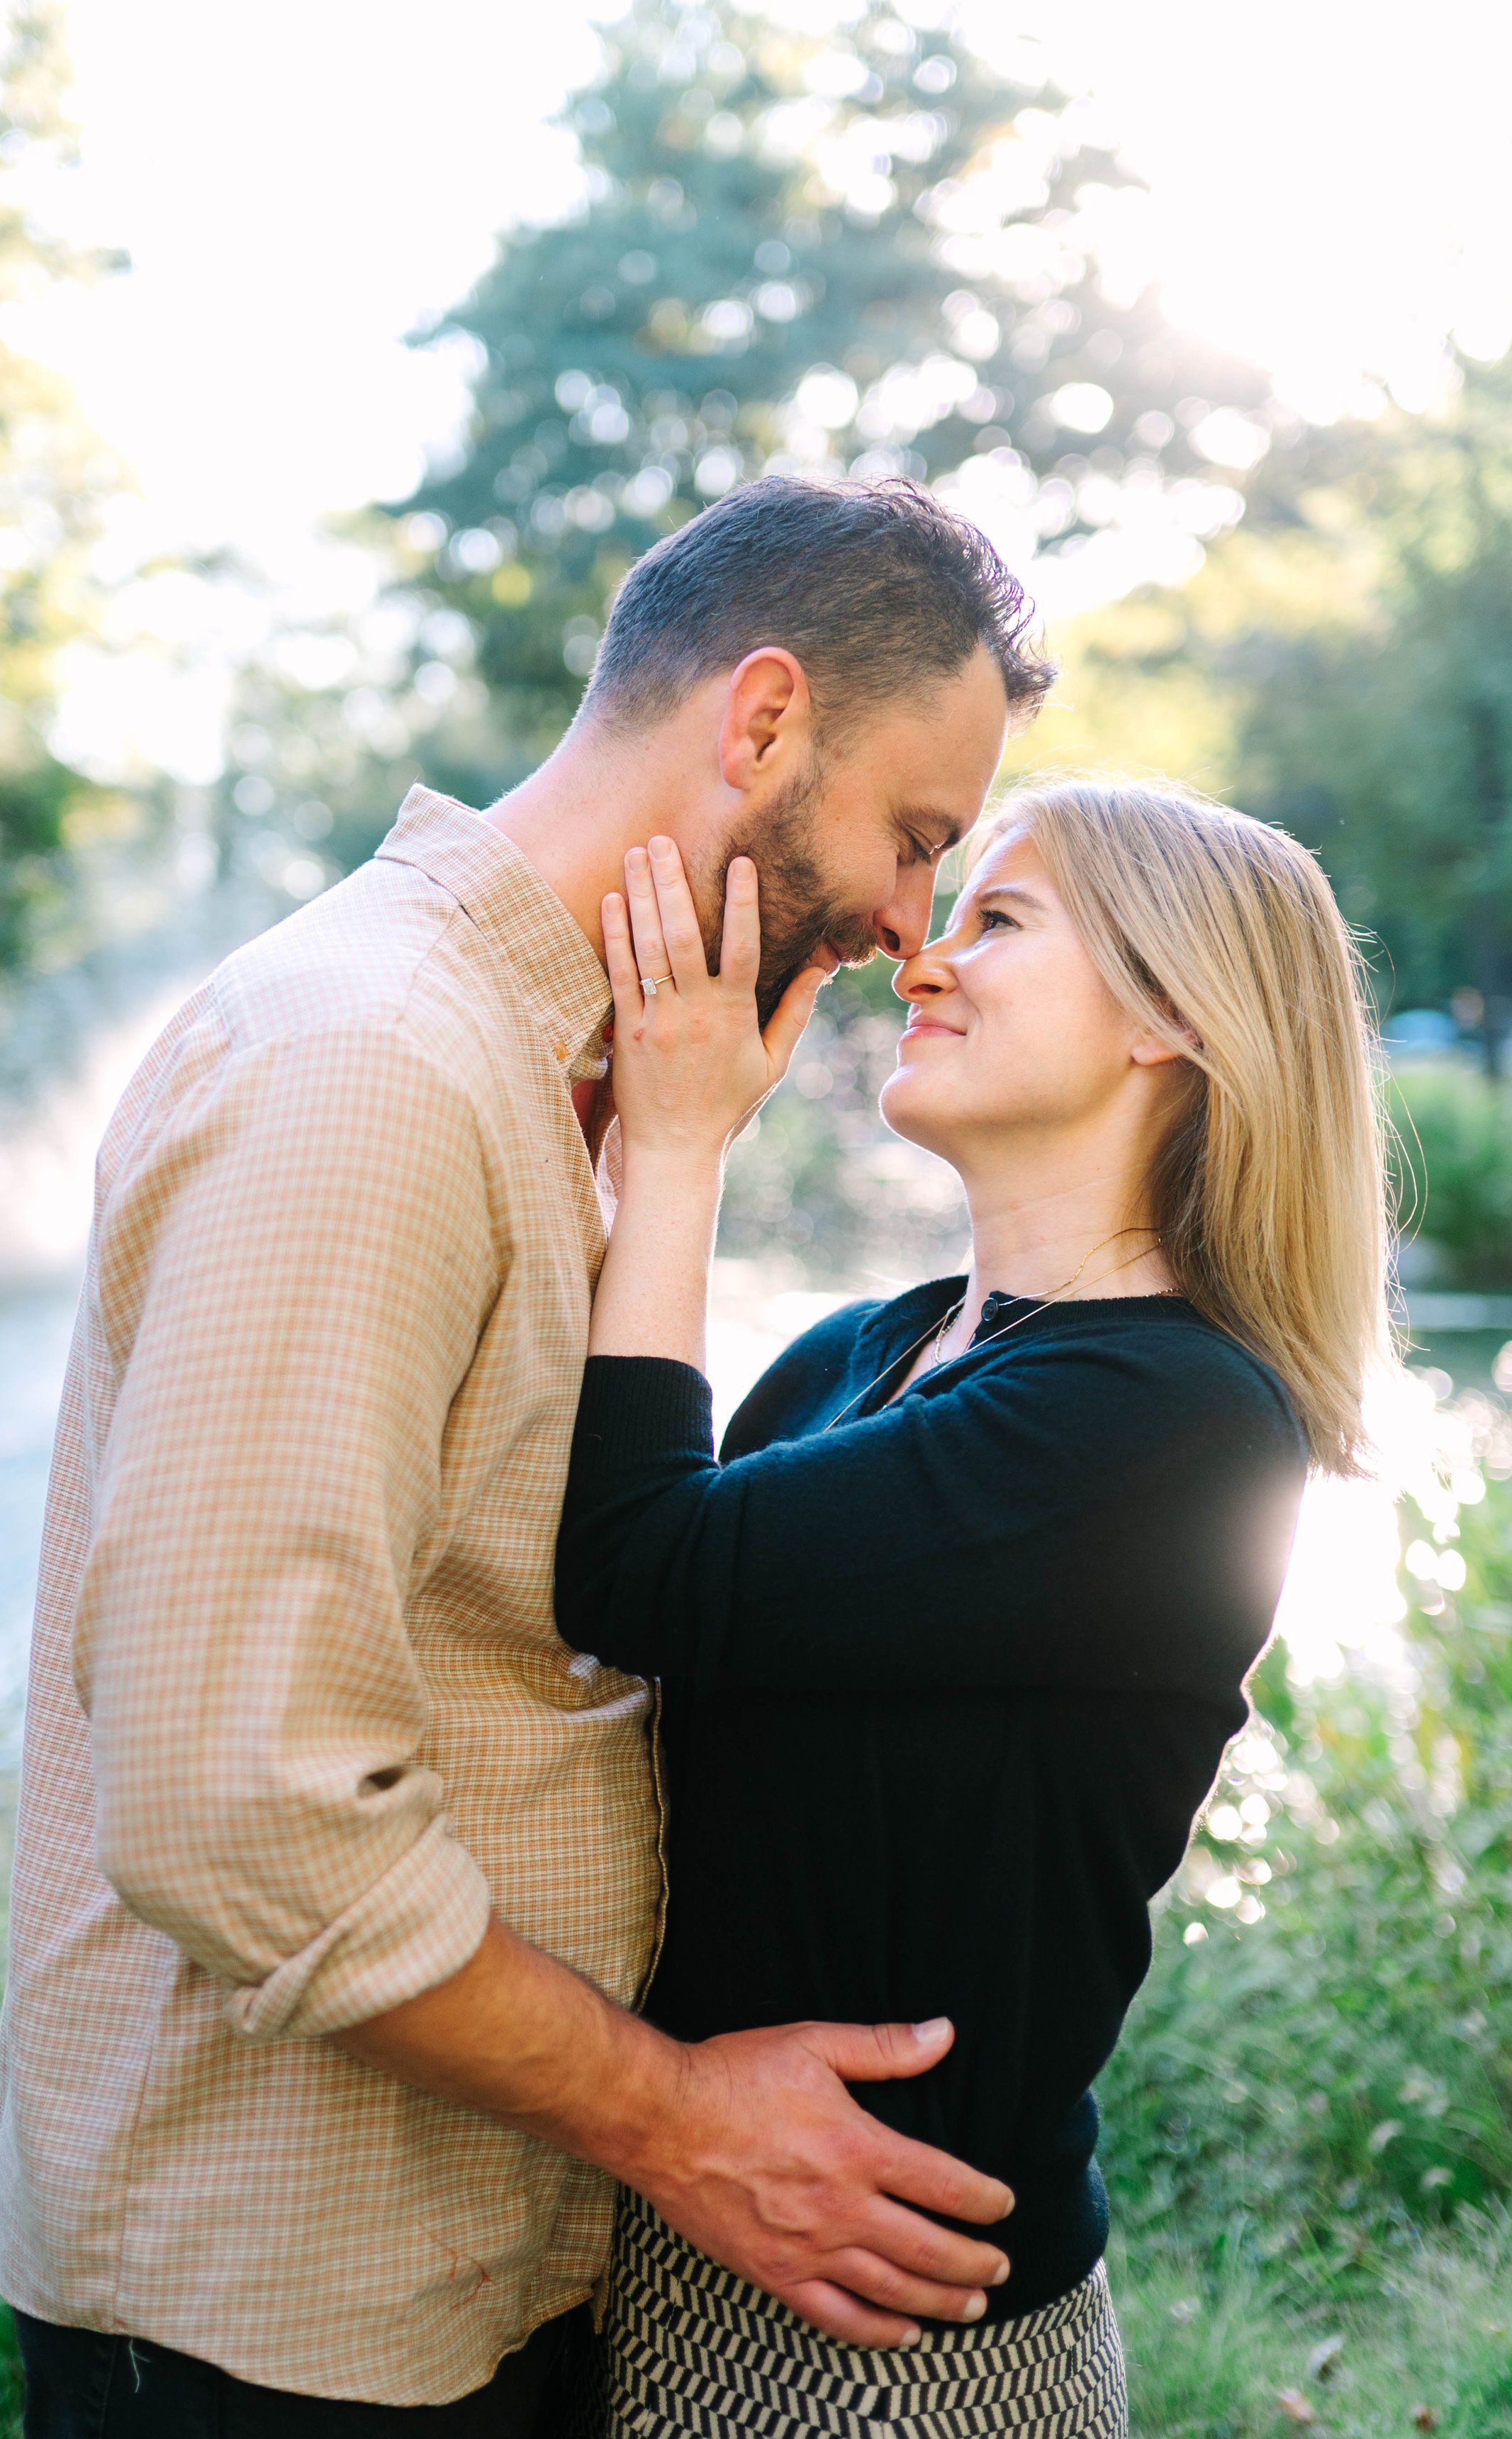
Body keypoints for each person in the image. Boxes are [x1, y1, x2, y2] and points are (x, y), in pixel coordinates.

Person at [0, 475, 1058, 2435]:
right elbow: (238, 1799)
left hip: (457, 2263)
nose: (912, 920)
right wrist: (674, 2120)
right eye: (916, 837)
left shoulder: (562, 1066)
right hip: (277, 2319)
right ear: (758, 721)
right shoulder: (368, 1069)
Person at [555, 776, 1390, 2438]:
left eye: (996, 919)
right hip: (679, 2236)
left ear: (1171, 1015)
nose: (922, 959)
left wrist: (674, 1141)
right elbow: (619, 1590)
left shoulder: (1165, 1422)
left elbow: (634, 1563)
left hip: (895, 2341)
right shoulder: (855, 1355)